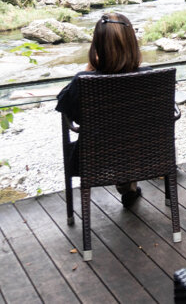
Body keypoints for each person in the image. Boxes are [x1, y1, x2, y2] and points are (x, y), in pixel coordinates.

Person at [56, 12, 145, 207]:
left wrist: (89, 69)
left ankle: (125, 183)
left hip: (95, 158)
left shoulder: (84, 82)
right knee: (128, 132)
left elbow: (66, 108)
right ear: (132, 43)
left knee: (110, 137)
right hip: (144, 154)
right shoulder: (149, 77)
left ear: (97, 45)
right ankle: (127, 184)